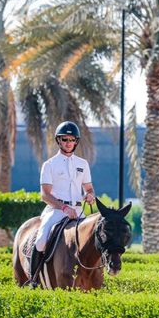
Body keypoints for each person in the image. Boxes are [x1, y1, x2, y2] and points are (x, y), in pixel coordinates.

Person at [27, 121, 96, 287]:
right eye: (65, 139)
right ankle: (33, 279)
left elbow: (89, 188)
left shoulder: (83, 164)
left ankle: (96, 278)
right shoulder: (49, 165)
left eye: (72, 139)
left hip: (79, 211)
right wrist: (64, 208)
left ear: (76, 141)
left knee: (93, 240)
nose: (68, 142)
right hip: (57, 210)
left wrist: (90, 195)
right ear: (58, 140)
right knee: (41, 240)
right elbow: (45, 194)